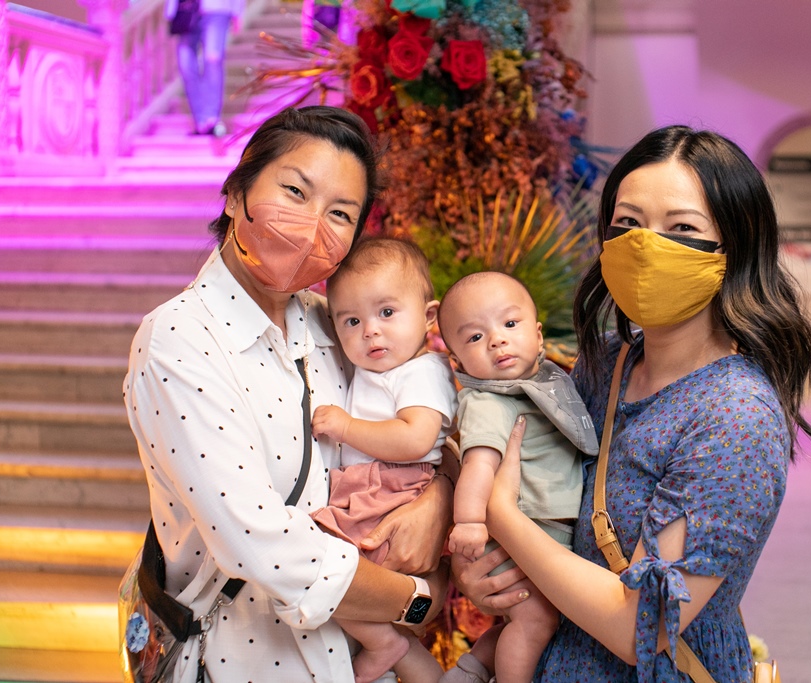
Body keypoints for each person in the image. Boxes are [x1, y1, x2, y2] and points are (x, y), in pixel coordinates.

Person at [453, 125, 811, 683]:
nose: (646, 246)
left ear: (735, 248)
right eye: (628, 224)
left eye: (682, 228)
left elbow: (644, 627)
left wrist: (501, 516)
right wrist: (483, 574)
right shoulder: (605, 364)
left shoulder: (735, 416)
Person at [123, 106, 453, 682]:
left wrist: (439, 497)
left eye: (341, 213)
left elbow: (425, 430)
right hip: (239, 662)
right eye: (295, 191)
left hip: (348, 662)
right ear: (235, 193)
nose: (312, 224)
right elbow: (259, 541)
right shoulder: (179, 339)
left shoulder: (340, 327)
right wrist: (417, 601)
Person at [436, 272, 598, 683]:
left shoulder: (542, 385)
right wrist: (470, 522)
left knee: (525, 622)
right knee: (535, 621)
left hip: (540, 533)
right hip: (519, 535)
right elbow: (479, 466)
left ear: (538, 334)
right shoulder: (490, 402)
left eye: (510, 324)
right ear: (457, 362)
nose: (496, 340)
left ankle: (471, 670)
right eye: (474, 337)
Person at [310, 237, 456, 683]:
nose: (370, 330)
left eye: (387, 313)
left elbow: (416, 439)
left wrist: (346, 427)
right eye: (352, 320)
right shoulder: (380, 371)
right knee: (339, 586)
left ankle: (384, 644)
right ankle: (404, 657)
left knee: (327, 577)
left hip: (394, 488)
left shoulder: (422, 371)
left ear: (428, 317)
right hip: (375, 487)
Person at [165, 0, 245, 136]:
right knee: (185, 63)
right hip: (187, 7)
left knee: (213, 60)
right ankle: (200, 121)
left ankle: (211, 119)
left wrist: (237, 10)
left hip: (218, 9)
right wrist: (170, 10)